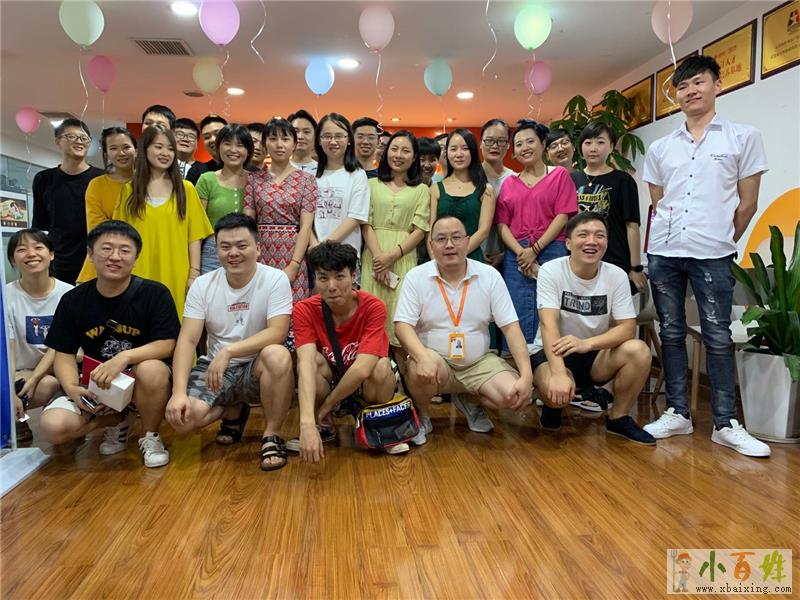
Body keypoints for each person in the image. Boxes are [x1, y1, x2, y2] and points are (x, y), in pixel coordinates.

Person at [641, 55, 770, 457]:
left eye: (698, 82)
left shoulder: (742, 137)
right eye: (682, 86)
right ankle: (678, 412)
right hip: (664, 252)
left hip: (713, 254)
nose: (690, 91)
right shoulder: (661, 147)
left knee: (717, 335)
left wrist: (720, 237)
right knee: (671, 332)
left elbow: (747, 204)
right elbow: (659, 202)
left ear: (718, 85)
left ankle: (726, 422)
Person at [40, 221, 180, 468]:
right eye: (106, 249)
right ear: (90, 254)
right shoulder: (72, 300)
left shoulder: (155, 294)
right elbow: (63, 352)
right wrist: (72, 388)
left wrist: (124, 358)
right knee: (53, 427)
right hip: (96, 385)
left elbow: (167, 344)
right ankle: (115, 421)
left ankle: (150, 435)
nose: (115, 256)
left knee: (152, 369)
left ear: (136, 258)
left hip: (141, 381)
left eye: (125, 250)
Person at [166, 214, 294, 471]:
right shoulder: (202, 285)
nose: (233, 253)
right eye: (225, 246)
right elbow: (187, 340)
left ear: (258, 248)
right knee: (183, 419)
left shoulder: (275, 279)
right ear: (217, 250)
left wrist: (229, 352)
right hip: (215, 370)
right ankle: (231, 410)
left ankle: (272, 435)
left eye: (241, 245)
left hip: (256, 367)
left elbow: (277, 332)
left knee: (277, 354)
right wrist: (178, 393)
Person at [394, 216, 534, 442]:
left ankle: (470, 400)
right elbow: (402, 326)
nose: (449, 245)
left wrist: (527, 375)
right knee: (419, 367)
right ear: (431, 245)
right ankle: (423, 415)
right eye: (441, 239)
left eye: (456, 237)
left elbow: (511, 328)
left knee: (512, 395)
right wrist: (422, 356)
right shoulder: (416, 277)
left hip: (479, 362)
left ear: (468, 242)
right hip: (436, 361)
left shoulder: (489, 275)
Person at [530, 212, 657, 445]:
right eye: (583, 235)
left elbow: (627, 328)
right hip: (554, 351)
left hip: (594, 354)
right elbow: (548, 324)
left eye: (600, 235)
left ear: (606, 242)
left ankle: (619, 417)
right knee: (553, 391)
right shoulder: (551, 270)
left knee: (639, 351)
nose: (592, 241)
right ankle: (553, 405)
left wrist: (586, 344)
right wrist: (559, 373)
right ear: (568, 243)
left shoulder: (616, 275)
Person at [290, 242, 409, 461]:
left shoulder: (373, 306)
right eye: (323, 278)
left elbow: (363, 368)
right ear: (314, 279)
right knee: (312, 361)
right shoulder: (304, 309)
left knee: (381, 367)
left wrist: (328, 404)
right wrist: (306, 423)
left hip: (363, 382)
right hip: (332, 377)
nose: (331, 286)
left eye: (339, 277)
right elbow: (305, 363)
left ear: (353, 276)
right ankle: (321, 427)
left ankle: (377, 426)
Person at [495, 119, 578, 354]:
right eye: (519, 144)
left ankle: (551, 364)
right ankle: (517, 364)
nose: (525, 147)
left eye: (530, 141)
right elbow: (502, 225)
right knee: (515, 307)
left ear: (543, 143)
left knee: (551, 306)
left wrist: (535, 249)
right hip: (516, 253)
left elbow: (563, 215)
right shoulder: (509, 183)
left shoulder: (559, 175)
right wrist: (522, 252)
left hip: (552, 248)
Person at [113, 125, 213, 314]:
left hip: (176, 272)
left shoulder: (186, 189)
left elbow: (194, 237)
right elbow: (120, 238)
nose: (165, 153)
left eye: (170, 148)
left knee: (173, 321)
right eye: (158, 147)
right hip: (137, 271)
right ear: (145, 149)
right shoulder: (129, 190)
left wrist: (194, 273)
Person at [361, 130, 430, 349]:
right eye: (394, 149)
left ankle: (402, 367)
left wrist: (391, 256)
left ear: (414, 156)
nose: (398, 155)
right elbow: (366, 223)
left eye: (405, 151)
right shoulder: (371, 184)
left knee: (402, 316)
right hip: (373, 256)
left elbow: (420, 229)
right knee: (371, 313)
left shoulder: (422, 189)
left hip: (403, 257)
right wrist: (379, 258)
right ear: (386, 152)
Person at [6, 229, 73, 442]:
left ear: (51, 254)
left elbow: (62, 345)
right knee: (37, 385)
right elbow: (8, 347)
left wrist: (35, 376)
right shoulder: (5, 296)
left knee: (48, 383)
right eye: (21, 249)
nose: (31, 254)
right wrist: (9, 392)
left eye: (38, 247)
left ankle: (62, 411)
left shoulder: (69, 294)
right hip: (22, 372)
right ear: (12, 260)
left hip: (60, 367)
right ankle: (16, 417)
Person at [244, 118, 317, 303]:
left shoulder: (307, 180)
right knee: (259, 306)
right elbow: (248, 223)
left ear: (294, 144)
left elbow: (306, 226)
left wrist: (294, 265)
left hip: (294, 253)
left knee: (293, 308)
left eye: (285, 139)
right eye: (273, 138)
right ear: (265, 144)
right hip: (260, 253)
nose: (279, 144)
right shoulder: (253, 179)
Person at [572, 122, 645, 294]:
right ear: (581, 147)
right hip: (579, 260)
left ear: (611, 147)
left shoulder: (623, 181)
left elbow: (632, 225)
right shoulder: (571, 180)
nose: (593, 148)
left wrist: (635, 267)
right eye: (588, 142)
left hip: (615, 260)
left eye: (600, 142)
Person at [32, 118, 104, 284]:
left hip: (95, 261)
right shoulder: (44, 179)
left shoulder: (101, 179)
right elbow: (41, 226)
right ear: (58, 141)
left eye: (84, 138)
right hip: (58, 263)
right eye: (71, 137)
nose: (79, 141)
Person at [76, 127, 137, 283]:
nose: (121, 153)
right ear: (106, 154)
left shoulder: (148, 184)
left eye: (126, 147)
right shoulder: (97, 185)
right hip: (102, 265)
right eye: (113, 148)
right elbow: (97, 230)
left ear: (136, 150)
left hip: (140, 262)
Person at [430, 128, 495, 263]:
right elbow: (431, 230)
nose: (459, 154)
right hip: (440, 259)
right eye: (453, 149)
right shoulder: (436, 189)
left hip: (471, 258)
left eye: (465, 148)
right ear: (447, 153)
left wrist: (458, 253)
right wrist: (437, 259)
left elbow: (483, 231)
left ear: (473, 152)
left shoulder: (486, 190)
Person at [195, 124, 253, 274]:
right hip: (213, 251)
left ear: (248, 150)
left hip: (247, 250)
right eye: (227, 143)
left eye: (240, 145)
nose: (233, 150)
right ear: (218, 147)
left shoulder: (255, 180)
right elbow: (196, 227)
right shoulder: (206, 180)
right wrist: (194, 268)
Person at [313, 113, 369, 259]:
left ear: (349, 140)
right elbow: (305, 217)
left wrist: (323, 247)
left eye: (339, 136)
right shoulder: (311, 175)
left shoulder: (358, 174)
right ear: (319, 140)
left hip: (346, 255)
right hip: (315, 254)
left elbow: (355, 217)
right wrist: (313, 245)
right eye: (327, 136)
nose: (333, 141)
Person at [480, 118, 516, 267]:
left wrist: (504, 255)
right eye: (489, 141)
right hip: (471, 254)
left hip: (508, 257)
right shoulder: (469, 177)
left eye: (501, 141)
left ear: (508, 145)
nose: (495, 146)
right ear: (481, 143)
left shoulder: (516, 179)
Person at [186, 114, 228, 184]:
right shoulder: (197, 171)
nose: (212, 140)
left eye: (217, 134)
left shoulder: (244, 167)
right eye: (207, 137)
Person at [288, 109, 318, 174]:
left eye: (306, 132)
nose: (300, 137)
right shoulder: (279, 171)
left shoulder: (324, 172)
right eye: (296, 131)